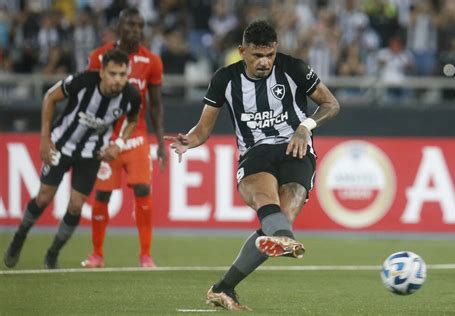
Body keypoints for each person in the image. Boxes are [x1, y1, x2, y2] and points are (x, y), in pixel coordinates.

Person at [166, 21, 340, 311]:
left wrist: (305, 127)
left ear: (276, 50)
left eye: (269, 55)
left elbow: (331, 104)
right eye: (257, 55)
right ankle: (284, 239)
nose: (264, 62)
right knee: (266, 202)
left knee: (284, 213)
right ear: (242, 51)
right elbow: (203, 129)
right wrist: (189, 141)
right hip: (255, 153)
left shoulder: (294, 68)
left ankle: (223, 288)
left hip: (295, 148)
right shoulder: (225, 79)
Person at [4, 48, 141, 269]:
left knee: (76, 206)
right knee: (43, 198)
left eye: (123, 75)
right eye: (113, 74)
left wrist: (120, 143)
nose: (118, 80)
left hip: (91, 153)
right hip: (61, 145)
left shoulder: (131, 96)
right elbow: (50, 97)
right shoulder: (83, 82)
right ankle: (19, 237)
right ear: (102, 72)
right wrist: (44, 137)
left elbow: (133, 119)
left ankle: (52, 253)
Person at [80, 8, 167, 269]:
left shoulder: (152, 61)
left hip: (137, 136)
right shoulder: (99, 57)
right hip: (106, 137)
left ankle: (145, 255)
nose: (136, 31)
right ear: (119, 27)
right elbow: (87, 99)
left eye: (140, 26)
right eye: (130, 25)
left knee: (143, 190)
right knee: (103, 195)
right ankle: (97, 254)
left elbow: (155, 105)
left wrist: (161, 142)